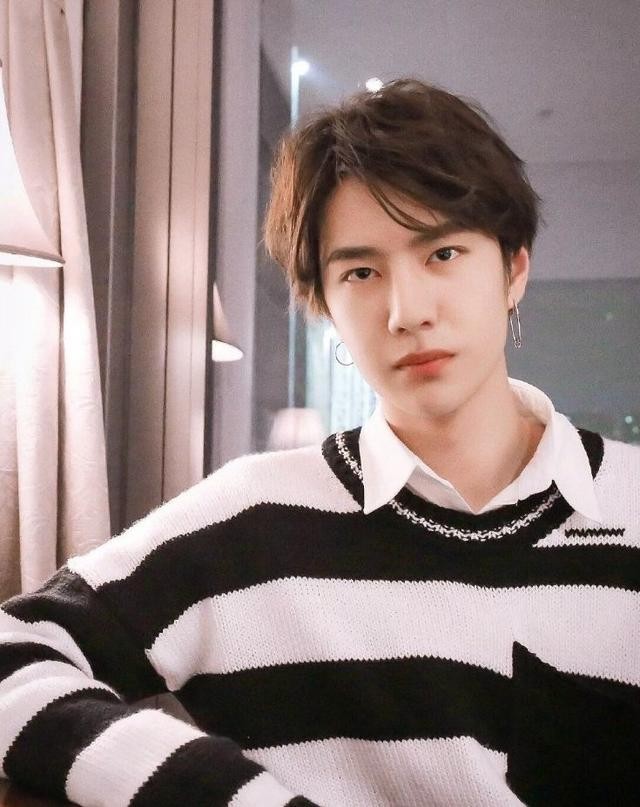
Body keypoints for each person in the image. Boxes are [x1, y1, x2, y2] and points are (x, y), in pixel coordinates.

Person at [1, 78, 639, 807]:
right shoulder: (253, 519)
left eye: (443, 253)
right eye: (361, 272)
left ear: (514, 268)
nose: (406, 311)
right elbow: (14, 654)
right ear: (325, 304)